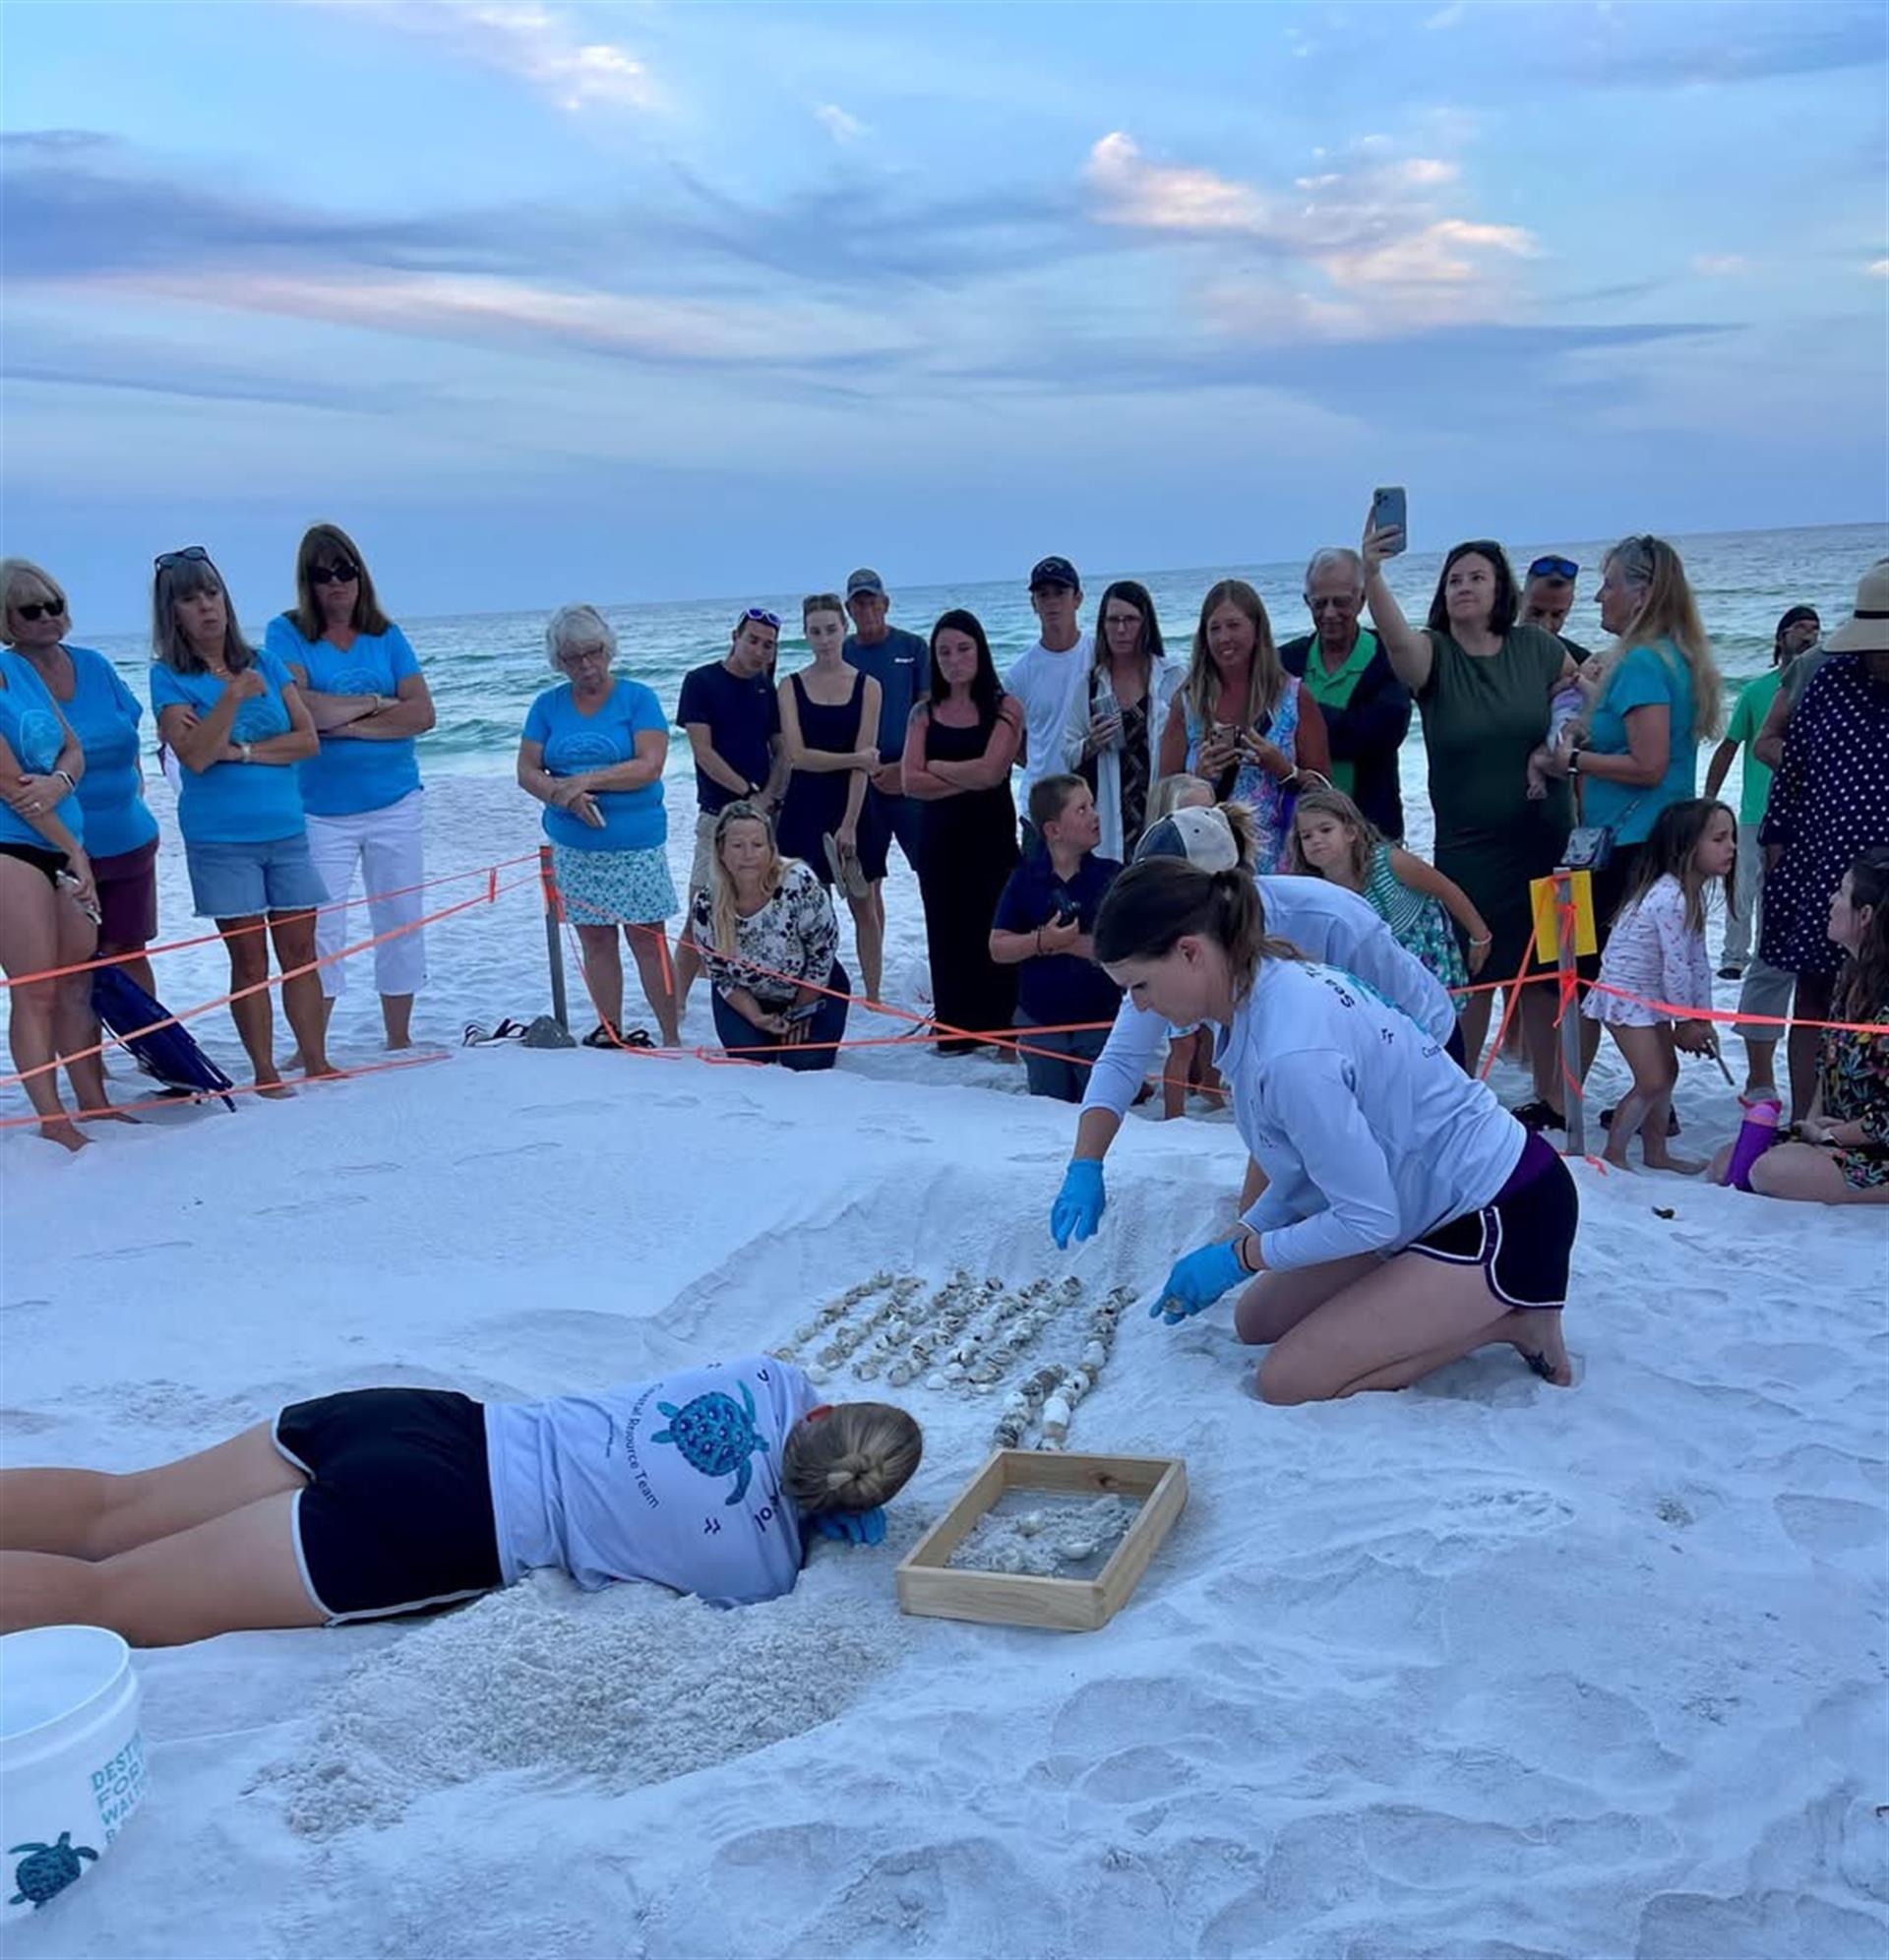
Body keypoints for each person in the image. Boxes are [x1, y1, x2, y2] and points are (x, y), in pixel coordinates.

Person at [1086, 855, 1578, 1402]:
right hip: (1413, 1203)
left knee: (1288, 1380)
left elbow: (1367, 1218)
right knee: (1257, 1319)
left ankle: (1512, 1319)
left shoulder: (1291, 1050)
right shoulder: (1260, 989)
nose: (1139, 1005)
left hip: (1502, 1210)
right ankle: (1437, 1295)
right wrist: (1241, 1239)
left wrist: (1241, 1257)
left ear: (1190, 953)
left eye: (1140, 986)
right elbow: (1309, 1178)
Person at [0, 1356, 922, 1645]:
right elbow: (762, 1527)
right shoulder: (757, 1567)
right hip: (450, 1525)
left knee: (115, 1512)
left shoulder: (768, 1379)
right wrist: (804, 1528)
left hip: (423, 1422)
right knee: (107, 1603)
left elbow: (803, 1399)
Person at [1051, 802, 1462, 1247]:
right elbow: (1122, 1059)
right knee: (1278, 1210)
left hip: (1420, 1043)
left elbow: (1393, 1029)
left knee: (1394, 1214)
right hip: (1306, 1070)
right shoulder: (1162, 952)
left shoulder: (1329, 917)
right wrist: (1085, 1164)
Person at [1362, 520, 1579, 1118]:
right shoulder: (1435, 652)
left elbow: (1578, 693)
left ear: (1499, 588)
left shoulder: (1536, 645)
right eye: (1454, 578)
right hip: (1470, 845)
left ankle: (1555, 1097)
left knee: (1549, 972)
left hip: (1550, 834)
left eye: (1477, 577)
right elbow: (1397, 640)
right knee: (1471, 970)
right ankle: (1454, 1087)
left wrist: (1557, 742)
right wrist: (1373, 572)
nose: (1463, 587)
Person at [149, 546, 331, 1093]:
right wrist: (229, 700)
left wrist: (243, 751)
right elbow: (197, 757)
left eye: (211, 593)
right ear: (172, 612)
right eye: (190, 598)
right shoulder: (169, 678)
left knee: (300, 953)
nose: (206, 607)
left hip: (286, 827)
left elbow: (307, 741)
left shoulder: (267, 663)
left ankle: (317, 1061)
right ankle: (266, 1070)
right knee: (250, 961)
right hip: (222, 838)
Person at [266, 524, 436, 1058]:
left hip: (395, 800)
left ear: (361, 575)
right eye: (324, 574)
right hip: (321, 808)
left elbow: (422, 713)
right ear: (307, 582)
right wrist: (380, 703)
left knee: (401, 917)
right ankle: (312, 1045)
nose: (337, 584)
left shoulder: (386, 634)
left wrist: (351, 722)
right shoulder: (287, 632)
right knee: (321, 930)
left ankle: (399, 1035)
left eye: (346, 571)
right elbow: (301, 709)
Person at [1754, 565, 1889, 1121]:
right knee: (1816, 993)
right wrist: (1778, 842)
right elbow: (1790, 770)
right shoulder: (1828, 677)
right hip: (1826, 862)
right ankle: (1809, 1119)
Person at [518, 603, 679, 1049]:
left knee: (648, 941)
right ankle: (610, 1030)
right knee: (596, 941)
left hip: (636, 842)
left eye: (592, 652)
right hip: (575, 846)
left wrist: (586, 780)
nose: (586, 665)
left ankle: (671, 1033)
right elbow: (527, 769)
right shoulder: (546, 706)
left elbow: (650, 765)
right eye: (573, 657)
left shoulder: (637, 698)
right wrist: (561, 794)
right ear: (559, 661)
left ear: (607, 649)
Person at [1547, 535, 1724, 940]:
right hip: (1660, 841)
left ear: (1641, 596)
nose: (1598, 597)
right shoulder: (1673, 656)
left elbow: (1649, 766)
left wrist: (1572, 761)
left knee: (1609, 983)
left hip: (1630, 847)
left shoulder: (1641, 662)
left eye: (1609, 585)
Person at [1, 558, 159, 997]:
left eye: (53, 604)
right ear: (6, 618)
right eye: (30, 610)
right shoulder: (11, 679)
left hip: (129, 837)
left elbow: (129, 737)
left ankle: (149, 1059)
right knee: (71, 972)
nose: (47, 616)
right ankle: (88, 1065)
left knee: (130, 953)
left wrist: (138, 789)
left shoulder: (95, 664)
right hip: (55, 847)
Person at [1715, 849, 1888, 1204]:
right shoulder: (1850, 976)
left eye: (1841, 892)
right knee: (1725, 1163)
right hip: (1835, 1133)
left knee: (1769, 1172)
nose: (1831, 899)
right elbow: (1828, 1064)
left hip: (1873, 1146)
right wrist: (1811, 1127)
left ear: (1866, 915)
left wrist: (1833, 1137)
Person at [0, 640, 115, 1150]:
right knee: (35, 988)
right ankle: (53, 1118)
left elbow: (73, 747)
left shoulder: (19, 667)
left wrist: (61, 779)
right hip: (11, 846)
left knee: (75, 980)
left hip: (64, 835)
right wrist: (76, 851)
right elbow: (10, 785)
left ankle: (95, 1101)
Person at [1581, 799, 1737, 1173]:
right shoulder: (1670, 897)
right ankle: (1614, 1154)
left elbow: (1697, 962)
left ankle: (1656, 1153)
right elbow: (1677, 970)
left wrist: (1702, 1019)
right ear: (1684, 847)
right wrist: (1685, 1023)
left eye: (1732, 837)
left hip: (1651, 997)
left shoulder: (1687, 893)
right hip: (1625, 997)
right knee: (1651, 1079)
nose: (1731, 846)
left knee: (1668, 1073)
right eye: (1719, 838)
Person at [901, 610, 1022, 1054]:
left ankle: (1004, 1029)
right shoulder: (923, 712)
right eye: (945, 652)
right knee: (948, 932)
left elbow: (993, 773)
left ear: (980, 650)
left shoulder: (1006, 706)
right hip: (940, 841)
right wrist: (960, 776)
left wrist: (936, 768)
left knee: (997, 926)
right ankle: (956, 1031)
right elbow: (910, 781)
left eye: (963, 649)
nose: (954, 660)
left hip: (992, 837)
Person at [1159, 580, 1329, 872]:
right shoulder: (1188, 704)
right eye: (1214, 628)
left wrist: (1283, 770)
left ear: (1256, 630)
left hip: (1280, 863)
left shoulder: (1293, 698)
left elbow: (1326, 794)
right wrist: (1197, 775)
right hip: (1208, 866)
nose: (1224, 637)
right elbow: (1163, 795)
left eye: (1234, 625)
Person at [674, 609, 785, 1012]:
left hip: (763, 819)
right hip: (717, 817)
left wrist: (769, 796)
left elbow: (781, 751)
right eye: (752, 640)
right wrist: (748, 793)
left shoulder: (766, 689)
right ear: (735, 636)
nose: (759, 650)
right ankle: (675, 1005)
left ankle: (758, 1002)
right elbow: (703, 752)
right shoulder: (701, 682)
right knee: (698, 915)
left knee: (760, 915)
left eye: (767, 644)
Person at [778, 595, 885, 1003]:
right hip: (804, 805)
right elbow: (798, 756)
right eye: (815, 631)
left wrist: (849, 823)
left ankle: (872, 996)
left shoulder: (868, 686)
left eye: (831, 629)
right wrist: (857, 757)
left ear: (844, 629)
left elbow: (864, 763)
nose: (824, 639)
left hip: (853, 805)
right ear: (805, 635)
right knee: (809, 908)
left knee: (864, 905)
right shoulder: (789, 685)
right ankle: (815, 990)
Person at [1704, 605, 1819, 981]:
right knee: (1743, 886)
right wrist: (1709, 799)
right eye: (1801, 628)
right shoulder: (1757, 691)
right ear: (1781, 636)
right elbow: (1729, 746)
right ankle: (1734, 957)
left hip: (1806, 811)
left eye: (1815, 629)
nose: (1810, 635)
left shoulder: (1824, 685)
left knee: (1785, 887)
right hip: (1757, 809)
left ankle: (1776, 953)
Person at [990, 775, 1123, 1101]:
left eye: (1092, 805)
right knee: (1048, 1105)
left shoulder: (1112, 876)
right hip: (1040, 1023)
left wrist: (1075, 944)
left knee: (1096, 1104)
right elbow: (998, 947)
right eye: (1082, 809)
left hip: (1099, 1021)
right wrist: (1042, 941)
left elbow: (1128, 951)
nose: (1095, 815)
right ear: (1053, 831)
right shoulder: (1024, 879)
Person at [691, 801, 848, 1072]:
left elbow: (823, 954)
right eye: (738, 846)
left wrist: (800, 1011)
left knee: (803, 1061)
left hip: (812, 987)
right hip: (746, 993)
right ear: (721, 852)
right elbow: (719, 973)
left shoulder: (799, 883)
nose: (748, 854)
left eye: (757, 845)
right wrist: (756, 1016)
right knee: (752, 1060)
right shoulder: (707, 903)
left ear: (771, 849)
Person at [1288, 785, 1491, 993]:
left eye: (1325, 830)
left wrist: (1479, 935)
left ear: (1351, 832)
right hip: (1375, 966)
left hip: (1424, 957)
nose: (1316, 840)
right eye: (1307, 836)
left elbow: (1445, 889)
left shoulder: (1389, 862)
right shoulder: (1315, 889)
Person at [1278, 548, 1411, 839]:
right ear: (1306, 602)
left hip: (1372, 833)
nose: (1329, 613)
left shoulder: (1387, 658)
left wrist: (1300, 718)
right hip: (1300, 839)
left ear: (1362, 600)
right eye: (1319, 603)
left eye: (1341, 602)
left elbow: (1380, 735)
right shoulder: (1285, 661)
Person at [1079, 580, 1180, 860]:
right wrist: (1091, 744)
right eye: (1113, 620)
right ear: (1102, 625)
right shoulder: (1090, 683)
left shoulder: (1172, 676)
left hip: (1158, 802)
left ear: (1145, 623)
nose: (1121, 629)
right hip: (1110, 808)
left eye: (1130, 620)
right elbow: (1067, 751)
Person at [841, 569, 931, 879]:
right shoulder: (841, 653)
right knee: (866, 881)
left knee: (932, 870)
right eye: (859, 604)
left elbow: (928, 715)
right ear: (848, 610)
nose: (866, 611)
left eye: (872, 602)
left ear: (886, 604)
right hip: (861, 781)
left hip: (909, 777)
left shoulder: (913, 647)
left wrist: (905, 768)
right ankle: (873, 932)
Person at [1003, 556, 1092, 853]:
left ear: (1077, 598)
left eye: (1060, 593)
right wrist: (1045, 760)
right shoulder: (1019, 674)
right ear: (1033, 604)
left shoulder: (1099, 655)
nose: (1052, 602)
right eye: (1043, 595)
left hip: (1094, 804)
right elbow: (1012, 742)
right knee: (1041, 898)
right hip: (1040, 809)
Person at [1147, 773, 1221, 1116]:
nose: (1203, 822)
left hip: (1211, 958)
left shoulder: (1221, 859)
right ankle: (1173, 1114)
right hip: (1177, 963)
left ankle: (1210, 1089)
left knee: (1212, 1034)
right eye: (1193, 814)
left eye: (1210, 812)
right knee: (1183, 1045)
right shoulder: (1163, 868)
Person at [1519, 553, 1594, 664]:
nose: (1545, 625)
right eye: (1536, 613)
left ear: (1569, 606)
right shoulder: (1490, 652)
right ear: (1519, 600)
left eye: (1556, 615)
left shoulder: (1582, 663)